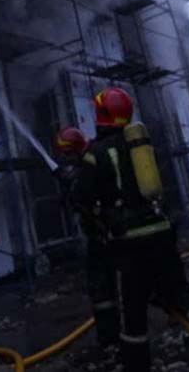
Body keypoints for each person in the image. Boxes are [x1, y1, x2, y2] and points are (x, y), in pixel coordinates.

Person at [69, 87, 189, 372]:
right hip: (161, 234)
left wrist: (71, 182)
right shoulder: (140, 147)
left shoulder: (95, 153)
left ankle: (137, 367)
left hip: (131, 246)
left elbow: (81, 198)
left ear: (101, 116)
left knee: (133, 314)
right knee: (183, 293)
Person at [53, 126, 119, 352]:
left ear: (77, 150)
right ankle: (111, 338)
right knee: (104, 290)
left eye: (68, 154)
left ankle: (113, 338)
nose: (65, 159)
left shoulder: (91, 163)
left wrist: (70, 184)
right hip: (102, 237)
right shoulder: (87, 162)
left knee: (109, 287)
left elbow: (82, 197)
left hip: (107, 236)